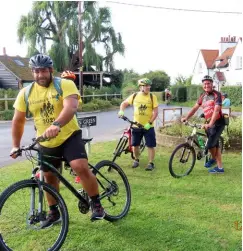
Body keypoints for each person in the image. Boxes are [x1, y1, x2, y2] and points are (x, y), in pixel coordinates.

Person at [10, 54, 105, 227]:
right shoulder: (25, 93)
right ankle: (54, 213)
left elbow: (71, 106)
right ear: (32, 72)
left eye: (44, 71)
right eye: (37, 71)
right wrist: (15, 146)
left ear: (51, 70)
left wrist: (57, 124)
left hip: (69, 135)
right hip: (46, 141)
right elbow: (18, 120)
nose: (40, 75)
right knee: (49, 178)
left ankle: (96, 203)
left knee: (79, 166)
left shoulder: (64, 84)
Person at [181, 75, 225, 174]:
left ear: (212, 84)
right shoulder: (203, 96)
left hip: (217, 123)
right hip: (208, 123)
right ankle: (217, 163)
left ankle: (217, 164)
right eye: (204, 84)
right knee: (215, 145)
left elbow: (216, 110)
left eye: (208, 83)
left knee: (210, 145)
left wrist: (210, 123)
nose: (206, 85)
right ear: (202, 85)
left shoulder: (216, 94)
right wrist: (186, 118)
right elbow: (194, 108)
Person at [118, 78, 159, 171]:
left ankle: (150, 163)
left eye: (149, 86)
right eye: (146, 86)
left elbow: (156, 112)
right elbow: (124, 103)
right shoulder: (135, 96)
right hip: (136, 125)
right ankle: (136, 160)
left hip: (148, 126)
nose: (148, 87)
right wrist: (121, 111)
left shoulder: (152, 97)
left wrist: (149, 123)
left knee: (150, 145)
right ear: (141, 87)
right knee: (135, 145)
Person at [60, 70, 81, 184]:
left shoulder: (73, 91)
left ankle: (78, 174)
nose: (68, 82)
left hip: (71, 125)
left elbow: (74, 106)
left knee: (75, 155)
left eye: (71, 80)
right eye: (66, 79)